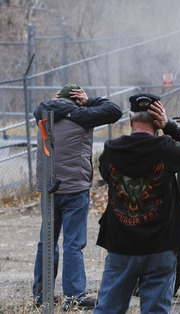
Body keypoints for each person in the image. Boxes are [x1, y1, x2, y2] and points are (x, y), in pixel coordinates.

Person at [94, 93, 180, 313]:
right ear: (156, 122)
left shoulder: (110, 151)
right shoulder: (168, 148)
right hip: (160, 244)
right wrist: (170, 126)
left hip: (121, 243)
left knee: (108, 310)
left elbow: (106, 175)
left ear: (131, 119)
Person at [32, 84, 122, 309]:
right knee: (73, 244)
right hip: (74, 189)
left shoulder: (44, 114)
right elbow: (114, 111)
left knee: (47, 242)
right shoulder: (81, 115)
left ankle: (41, 295)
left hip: (49, 188)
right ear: (75, 99)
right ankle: (73, 298)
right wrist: (89, 100)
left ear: (58, 99)